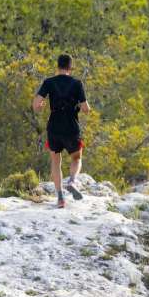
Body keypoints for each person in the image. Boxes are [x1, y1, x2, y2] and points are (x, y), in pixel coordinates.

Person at [32, 54, 90, 208]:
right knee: (77, 158)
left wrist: (40, 106)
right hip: (71, 126)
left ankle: (60, 198)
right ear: (70, 67)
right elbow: (86, 109)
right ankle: (72, 181)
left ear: (58, 66)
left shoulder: (49, 82)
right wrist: (80, 106)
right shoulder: (77, 83)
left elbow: (36, 104)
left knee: (55, 161)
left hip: (54, 127)